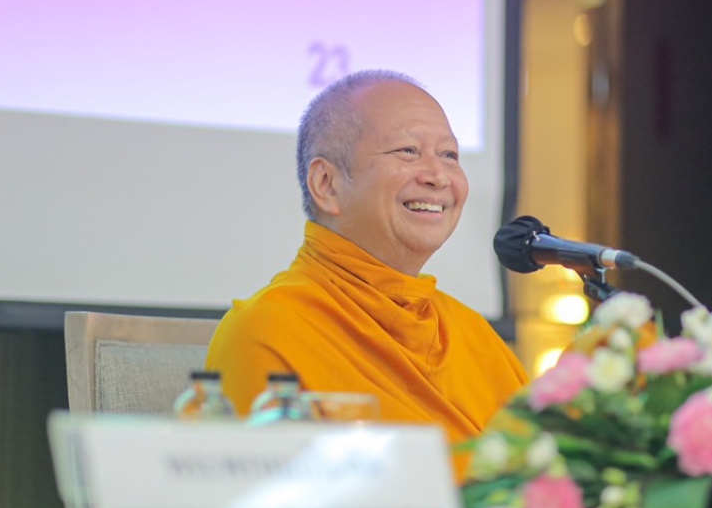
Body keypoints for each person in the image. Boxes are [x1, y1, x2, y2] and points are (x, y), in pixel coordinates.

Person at [206, 70, 526, 474]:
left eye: (449, 155)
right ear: (327, 184)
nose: (438, 176)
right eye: (408, 151)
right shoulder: (269, 332)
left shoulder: (473, 335)